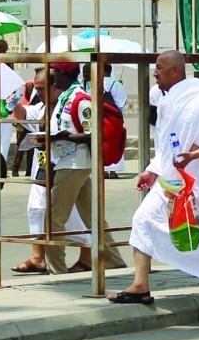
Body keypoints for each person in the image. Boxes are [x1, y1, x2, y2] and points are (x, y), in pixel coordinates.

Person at [107, 50, 199, 326]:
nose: (155, 73)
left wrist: (193, 156)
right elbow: (168, 145)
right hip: (173, 182)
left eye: (160, 68)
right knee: (142, 219)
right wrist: (152, 172)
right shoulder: (169, 101)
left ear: (175, 72)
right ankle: (140, 286)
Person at [40, 63, 127, 274]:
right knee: (93, 216)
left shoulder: (80, 99)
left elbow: (93, 132)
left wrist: (65, 137)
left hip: (74, 163)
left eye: (54, 73)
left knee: (53, 218)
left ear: (63, 73)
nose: (53, 78)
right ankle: (114, 261)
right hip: (68, 161)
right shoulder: (66, 97)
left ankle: (57, 269)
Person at [10, 68, 91, 274]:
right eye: (36, 88)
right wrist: (11, 99)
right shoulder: (44, 108)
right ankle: (39, 257)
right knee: (37, 210)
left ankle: (84, 259)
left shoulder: (74, 102)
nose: (38, 93)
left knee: (72, 217)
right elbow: (24, 115)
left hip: (71, 165)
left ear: (56, 86)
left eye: (41, 88)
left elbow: (89, 133)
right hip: (46, 167)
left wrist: (57, 138)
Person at [82, 63, 128, 179]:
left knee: (101, 143)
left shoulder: (94, 83)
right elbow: (122, 103)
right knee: (115, 141)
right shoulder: (116, 84)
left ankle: (102, 169)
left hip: (99, 118)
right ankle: (114, 171)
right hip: (115, 118)